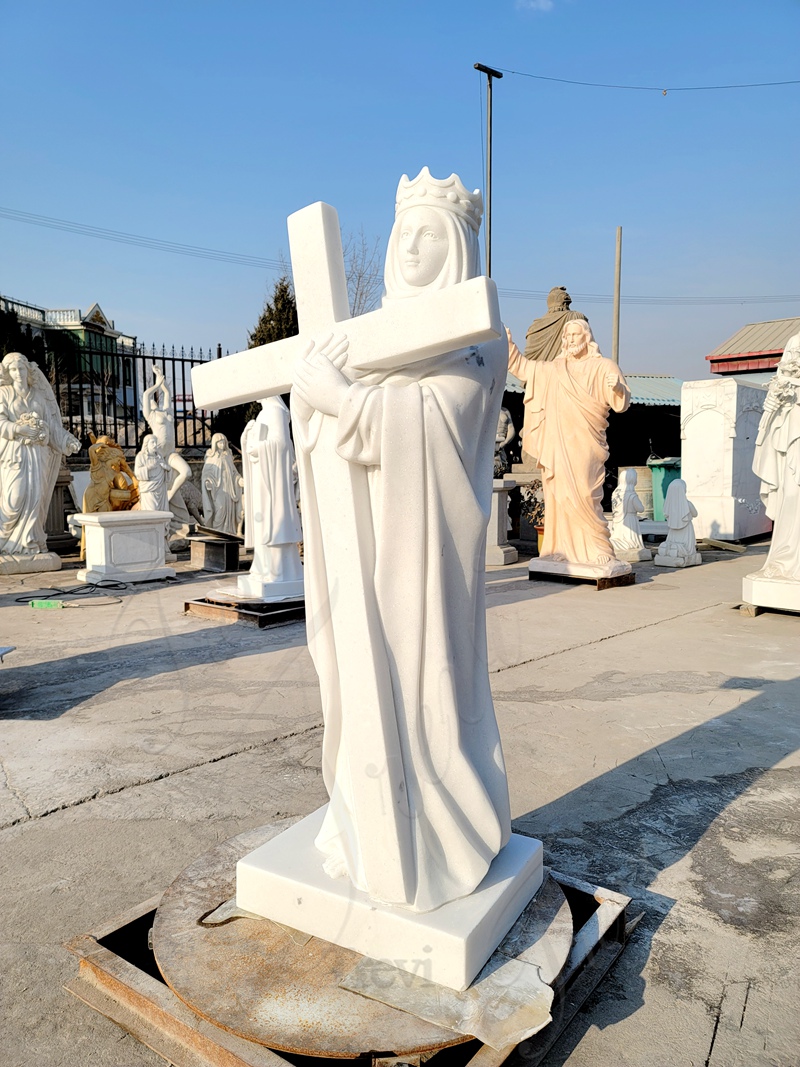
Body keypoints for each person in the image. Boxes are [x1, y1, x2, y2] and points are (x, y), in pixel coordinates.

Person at [290, 168, 511, 913]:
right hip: (365, 542)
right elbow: (324, 407)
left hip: (426, 558)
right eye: (403, 232)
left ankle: (441, 833)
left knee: (424, 687)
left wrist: (342, 402)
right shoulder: (359, 339)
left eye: (429, 233)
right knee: (361, 679)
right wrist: (316, 398)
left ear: (456, 246)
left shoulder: (478, 341)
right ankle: (368, 821)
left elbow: (436, 424)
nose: (411, 245)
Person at [508, 319, 630, 571]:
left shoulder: (603, 366)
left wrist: (617, 388)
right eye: (568, 335)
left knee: (586, 493)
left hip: (586, 443)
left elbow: (620, 402)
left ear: (587, 337)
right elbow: (523, 368)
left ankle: (598, 548)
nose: (571, 339)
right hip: (558, 442)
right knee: (558, 495)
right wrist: (508, 346)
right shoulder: (554, 368)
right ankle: (559, 550)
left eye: (576, 334)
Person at [0, 351, 80, 557]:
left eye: (21, 368)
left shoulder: (38, 395)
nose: (18, 373)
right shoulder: (4, 394)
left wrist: (66, 440)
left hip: (37, 456)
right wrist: (19, 429)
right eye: (13, 369)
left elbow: (52, 427)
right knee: (13, 499)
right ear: (8, 372)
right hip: (14, 455)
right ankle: (6, 543)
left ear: (28, 370)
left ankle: (31, 543)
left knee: (37, 499)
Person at [751, 330, 800, 580]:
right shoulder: (794, 339)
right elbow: (782, 378)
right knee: (791, 494)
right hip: (792, 431)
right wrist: (777, 397)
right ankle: (786, 558)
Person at [240, 397, 303, 588]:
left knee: (272, 521)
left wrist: (257, 447)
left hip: (272, 481)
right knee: (262, 523)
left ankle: (279, 570)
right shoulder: (262, 413)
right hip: (262, 476)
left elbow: (282, 443)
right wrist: (246, 439)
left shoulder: (275, 411)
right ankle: (263, 567)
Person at [141, 364, 191, 534]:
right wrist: (155, 385)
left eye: (155, 400)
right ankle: (167, 515)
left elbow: (168, 393)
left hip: (171, 453)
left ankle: (171, 493)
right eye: (152, 402)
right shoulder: (151, 416)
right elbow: (146, 394)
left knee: (187, 472)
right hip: (160, 455)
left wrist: (161, 378)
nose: (154, 401)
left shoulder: (167, 412)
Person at [522, 286, 588, 364]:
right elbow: (588, 348)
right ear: (566, 302)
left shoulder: (534, 326)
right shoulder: (576, 317)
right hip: (568, 371)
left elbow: (528, 360)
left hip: (538, 374)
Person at [201, 432, 242, 535]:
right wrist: (208, 482)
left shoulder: (227, 457)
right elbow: (206, 473)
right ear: (215, 444)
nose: (222, 445)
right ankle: (217, 532)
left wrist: (238, 479)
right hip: (218, 489)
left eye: (223, 442)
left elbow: (233, 473)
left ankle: (229, 532)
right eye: (219, 443)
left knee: (229, 510)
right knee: (220, 508)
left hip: (229, 488)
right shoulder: (211, 457)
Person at [134, 434, 171, 512]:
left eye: (156, 442)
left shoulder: (159, 456)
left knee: (162, 512)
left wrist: (166, 468)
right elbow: (137, 473)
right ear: (146, 444)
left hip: (161, 488)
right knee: (152, 510)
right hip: (149, 489)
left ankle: (162, 525)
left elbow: (167, 472)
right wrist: (149, 467)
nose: (155, 445)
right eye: (152, 442)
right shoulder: (141, 457)